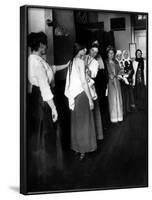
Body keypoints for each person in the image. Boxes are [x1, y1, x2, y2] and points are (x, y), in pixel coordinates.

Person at [28, 32, 69, 177]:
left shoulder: (38, 59)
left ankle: (49, 168)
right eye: (45, 44)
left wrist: (67, 65)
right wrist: (53, 108)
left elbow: (52, 69)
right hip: (43, 100)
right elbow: (44, 87)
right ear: (40, 45)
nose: (46, 46)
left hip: (42, 98)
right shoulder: (35, 62)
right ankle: (47, 171)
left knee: (47, 132)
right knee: (46, 133)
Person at [64, 43, 98, 160]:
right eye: (84, 49)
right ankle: (84, 149)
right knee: (84, 122)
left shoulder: (72, 61)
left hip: (74, 95)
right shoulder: (80, 62)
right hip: (82, 94)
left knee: (77, 122)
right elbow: (83, 83)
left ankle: (77, 148)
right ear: (81, 51)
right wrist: (90, 99)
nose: (86, 51)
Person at [84, 43, 104, 140]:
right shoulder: (82, 57)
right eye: (92, 50)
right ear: (89, 49)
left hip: (90, 86)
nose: (94, 53)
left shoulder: (96, 63)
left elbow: (94, 75)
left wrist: (89, 72)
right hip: (80, 87)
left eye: (96, 52)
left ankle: (94, 136)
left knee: (93, 111)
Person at [106, 46, 123, 123]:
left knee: (118, 98)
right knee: (112, 99)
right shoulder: (105, 62)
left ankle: (119, 117)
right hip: (110, 82)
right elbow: (103, 73)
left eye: (113, 53)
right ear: (107, 54)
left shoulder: (116, 62)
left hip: (117, 81)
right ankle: (114, 118)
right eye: (110, 53)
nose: (111, 55)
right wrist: (108, 75)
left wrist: (119, 75)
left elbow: (119, 71)